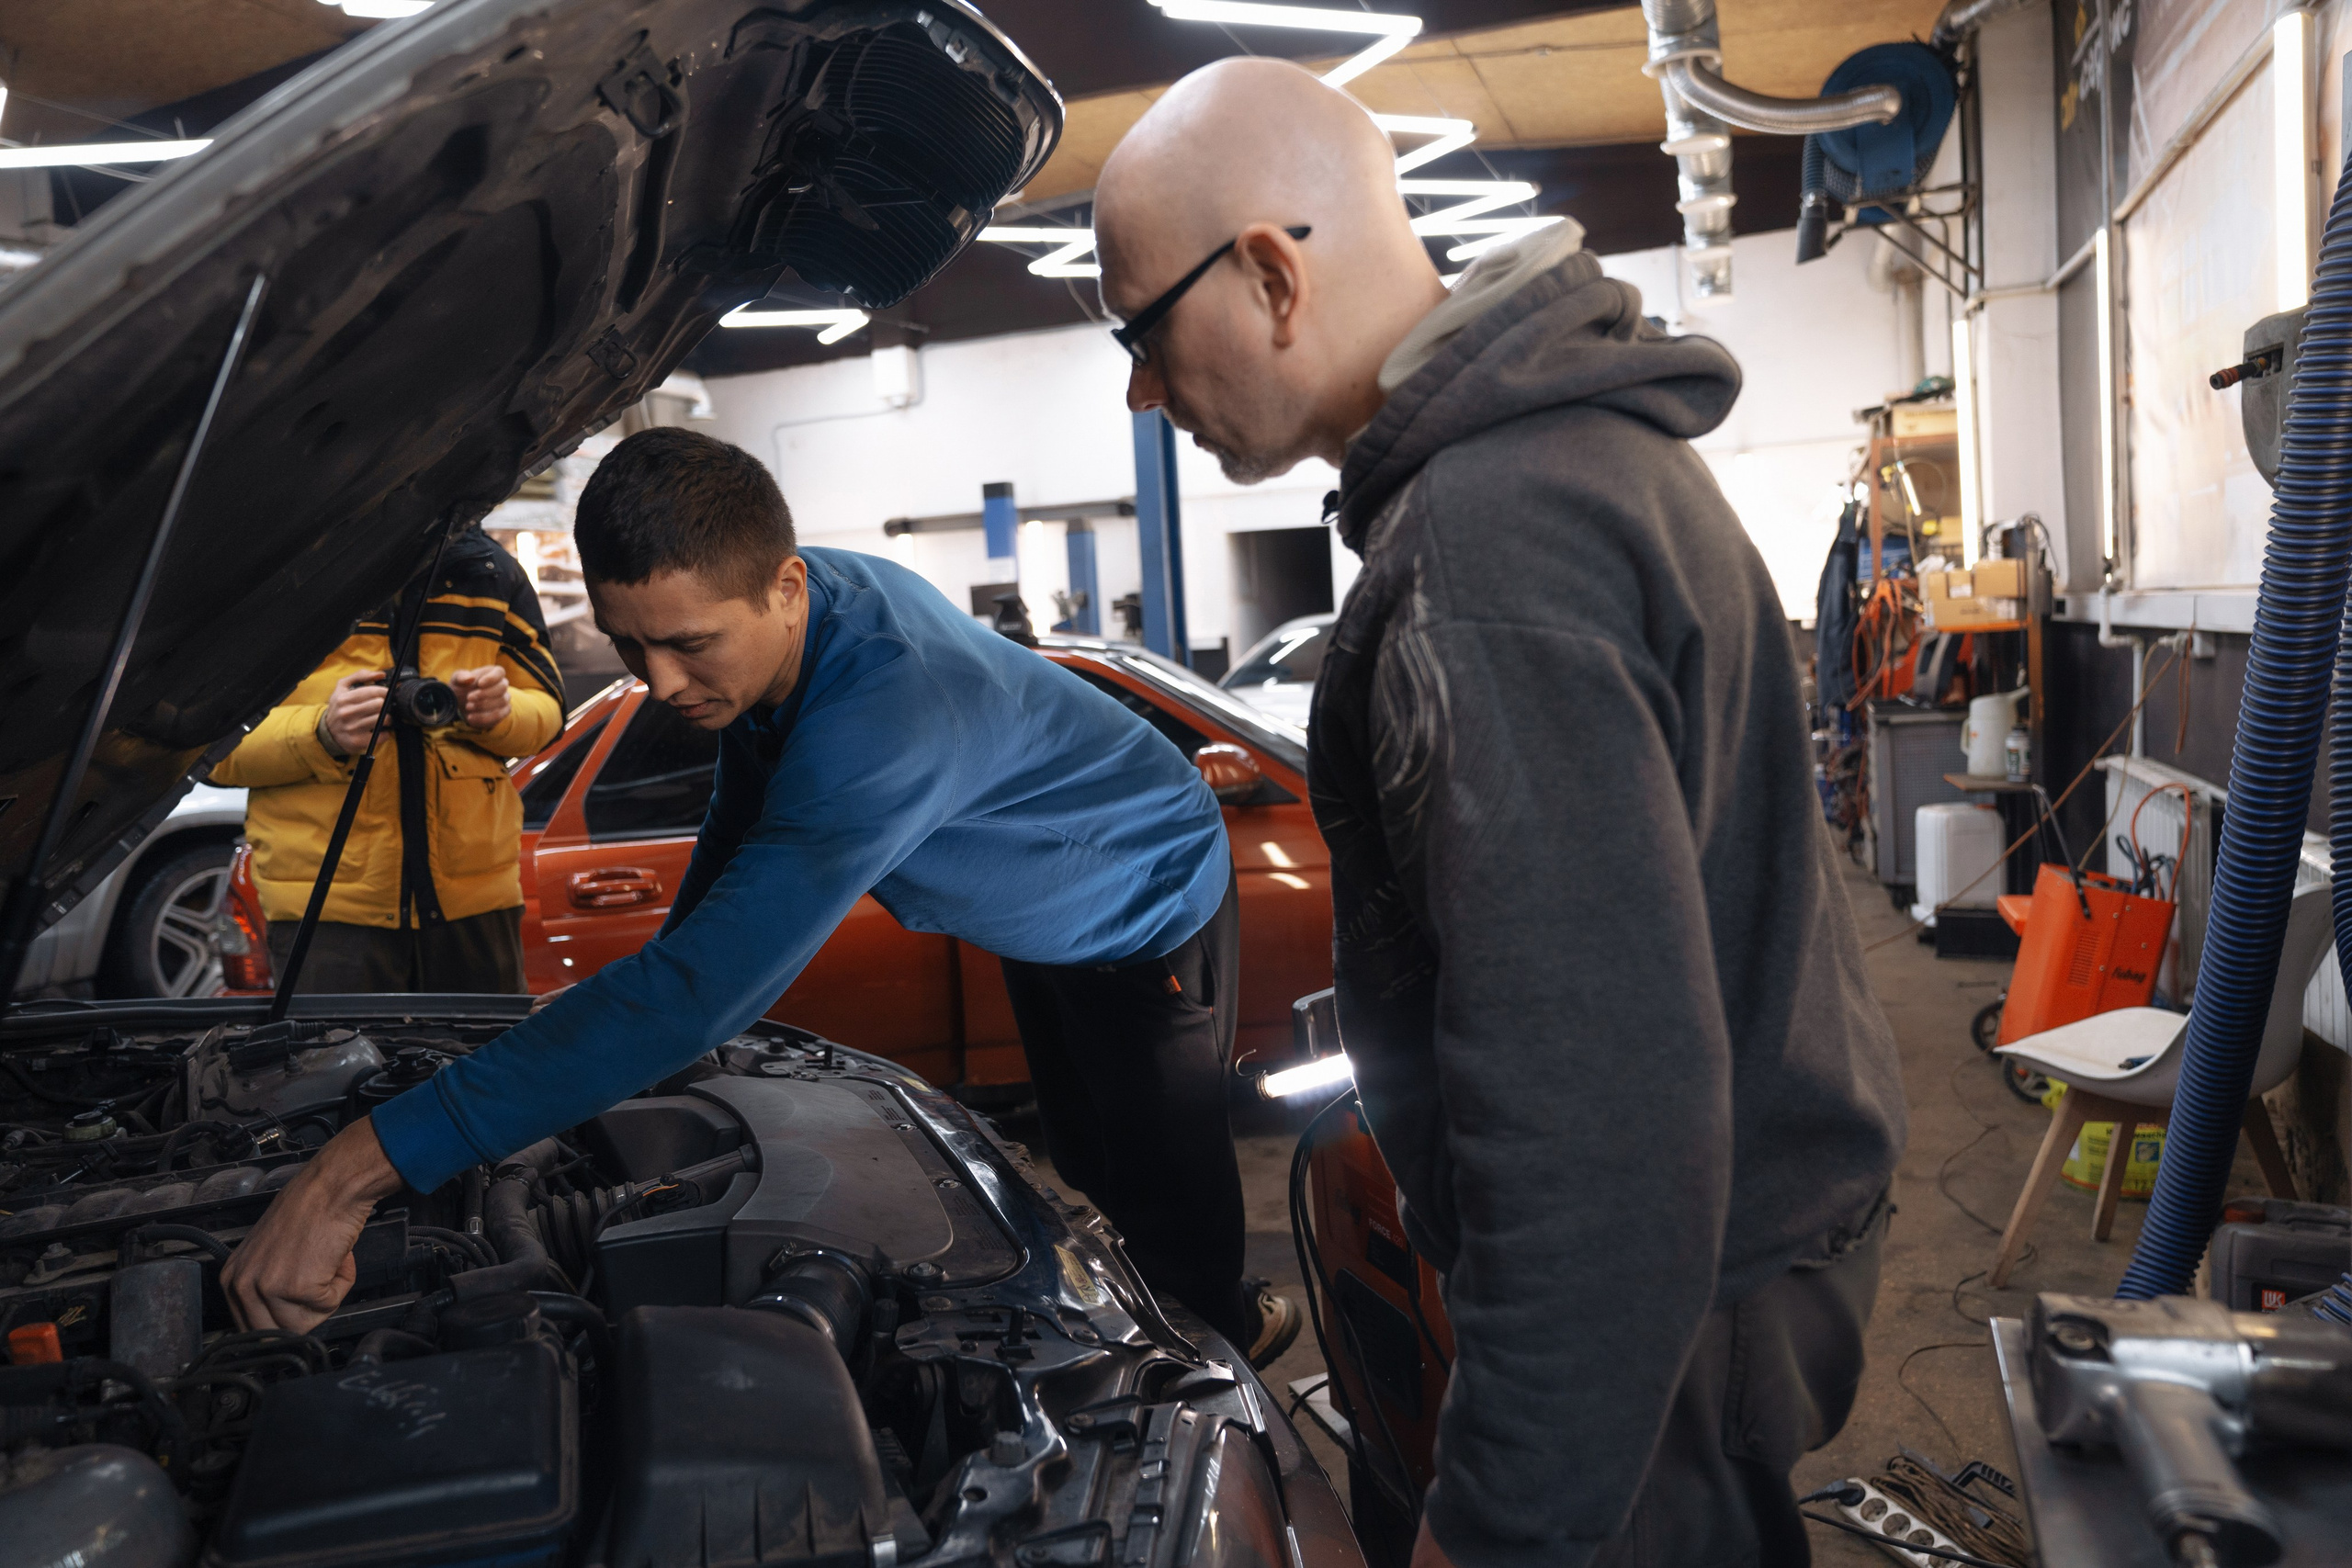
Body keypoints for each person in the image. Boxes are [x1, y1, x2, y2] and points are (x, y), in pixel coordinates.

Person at [1092, 60, 1906, 1568]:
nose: (1142, 389)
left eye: (1139, 331)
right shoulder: (1559, 467)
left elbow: (1596, 1110)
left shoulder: (1489, 542)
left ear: (1271, 273)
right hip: (1720, 1265)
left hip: (1667, 1303)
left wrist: (1500, 1519)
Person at [220, 428, 1301, 1368]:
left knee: (1163, 1186)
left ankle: (1224, 1343)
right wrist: (628, 1032)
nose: (660, 683)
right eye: (631, 642)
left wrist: (349, 1174)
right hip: (1037, 908)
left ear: (784, 587)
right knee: (1083, 1149)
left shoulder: (884, 718)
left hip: (1143, 890)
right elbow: (736, 822)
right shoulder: (790, 625)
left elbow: (700, 990)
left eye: (689, 645)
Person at [212, 523, 562, 994]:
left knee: (485, 1044)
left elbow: (548, 708)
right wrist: (321, 733)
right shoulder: (279, 572)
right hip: (329, 910)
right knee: (341, 1048)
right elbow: (207, 750)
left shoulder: (491, 572)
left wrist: (500, 713)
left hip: (476, 902)